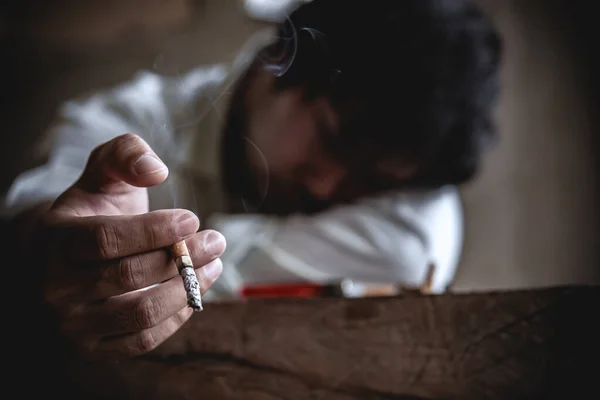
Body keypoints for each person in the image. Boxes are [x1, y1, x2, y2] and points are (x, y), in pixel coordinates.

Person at [2, 0, 501, 360]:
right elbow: (41, 220)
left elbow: (411, 249)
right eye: (332, 140)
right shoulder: (125, 121)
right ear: (288, 60)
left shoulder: (411, 226)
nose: (327, 188)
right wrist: (46, 252)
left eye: (367, 182)